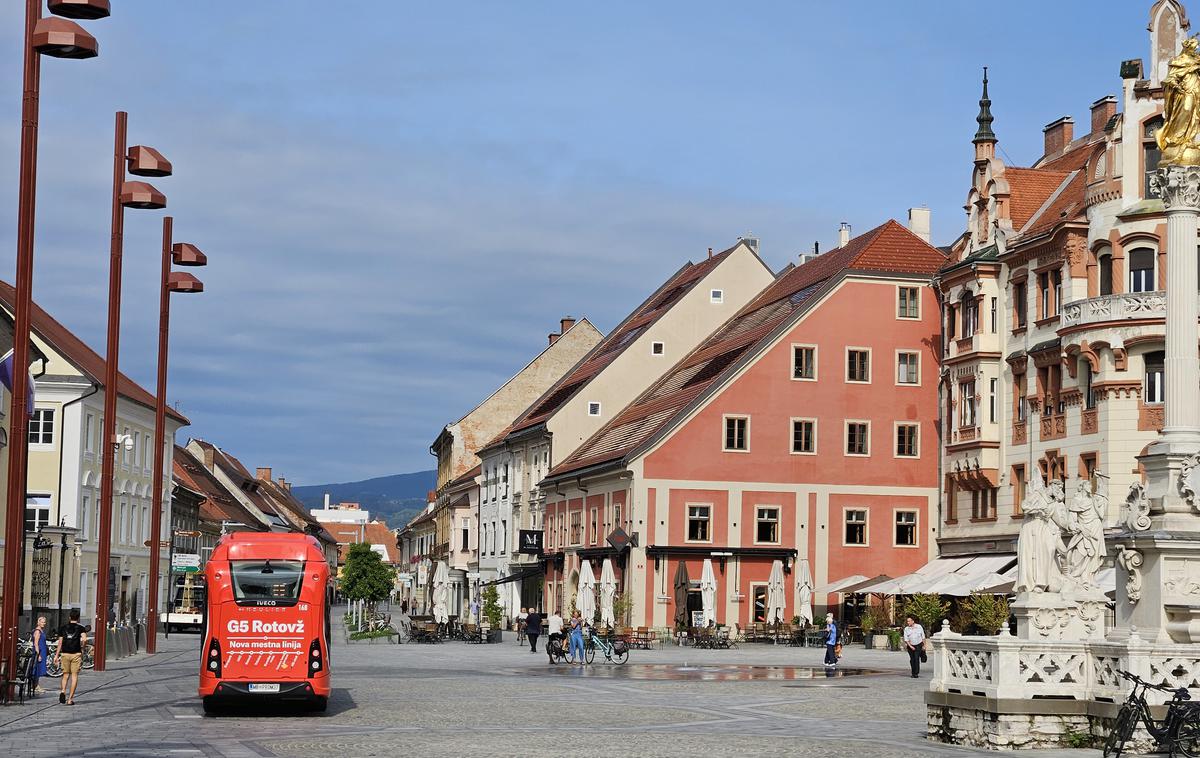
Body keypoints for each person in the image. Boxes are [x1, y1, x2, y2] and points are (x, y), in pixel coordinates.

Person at [55, 609, 87, 705]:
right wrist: (82, 648)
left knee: (65, 675)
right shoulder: (81, 628)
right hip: (76, 653)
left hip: (65, 653)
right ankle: (70, 699)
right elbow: (84, 639)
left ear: (69, 617)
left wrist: (56, 655)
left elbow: (60, 642)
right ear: (78, 618)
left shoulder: (63, 628)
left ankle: (63, 691)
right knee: (74, 676)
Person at [29, 616, 48, 696]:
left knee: (39, 669)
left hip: (42, 651)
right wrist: (38, 654)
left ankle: (36, 685)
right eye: (42, 622)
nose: (44, 623)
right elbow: (36, 644)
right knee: (36, 669)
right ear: (38, 622)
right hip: (39, 652)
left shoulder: (41, 630)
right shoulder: (37, 631)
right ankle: (35, 685)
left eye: (44, 622)